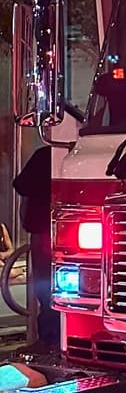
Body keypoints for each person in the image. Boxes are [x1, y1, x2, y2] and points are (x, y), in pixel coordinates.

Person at [12, 143, 55, 346]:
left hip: (42, 229)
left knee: (46, 291)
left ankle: (48, 340)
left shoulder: (45, 155)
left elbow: (21, 186)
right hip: (62, 231)